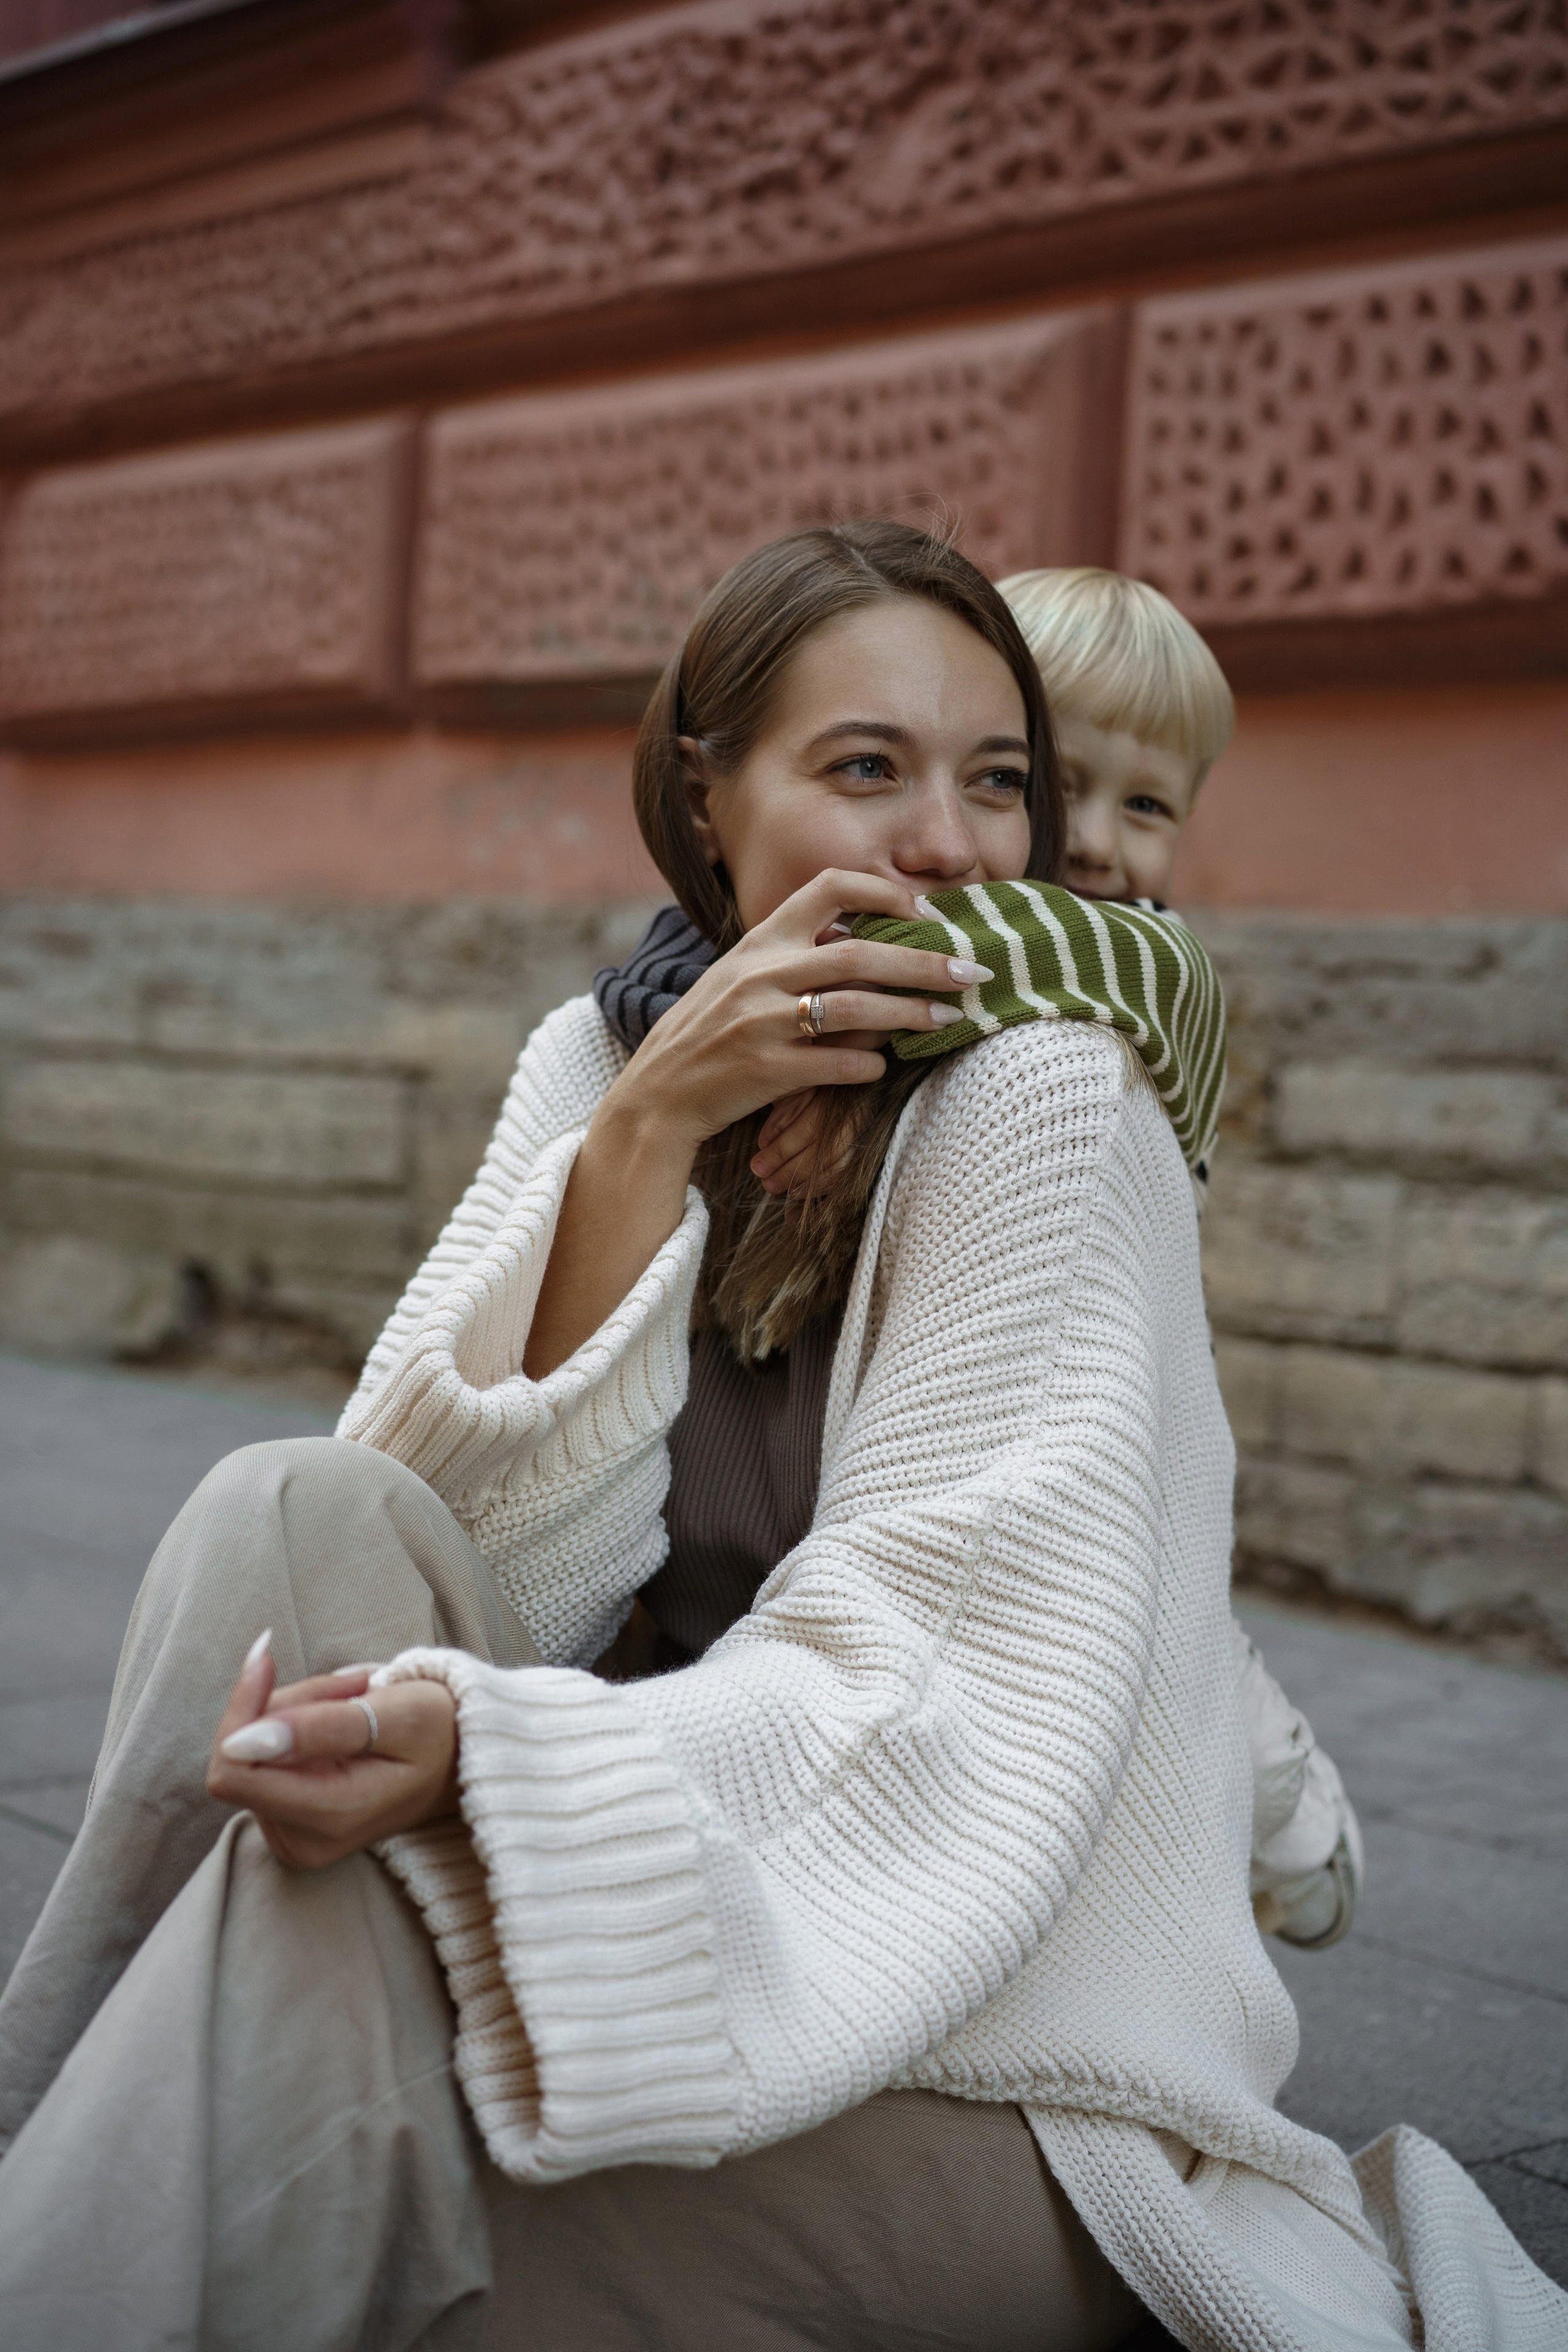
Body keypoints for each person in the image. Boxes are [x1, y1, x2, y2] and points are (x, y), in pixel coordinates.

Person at [0, 522, 1561, 2351]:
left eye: (1000, 782)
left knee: (314, 1989)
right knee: (282, 1505)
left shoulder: (1050, 1090)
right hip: (699, 1885)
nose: (954, 845)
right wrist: (647, 1138)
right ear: (709, 797)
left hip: (991, 2045)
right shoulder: (600, 1063)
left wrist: (495, 1770)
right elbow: (442, 1561)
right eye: (863, 769)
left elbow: (942, 1683)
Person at [597, 563, 1362, 1953]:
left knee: (1165, 1632)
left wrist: (834, 1063)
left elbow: (978, 956)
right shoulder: (907, 902)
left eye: (1154, 807)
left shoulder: (1139, 964)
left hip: (1091, 1401)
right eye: (1068, 789)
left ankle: (1268, 1780)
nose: (1108, 848)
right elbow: (682, 964)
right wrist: (688, 1033)